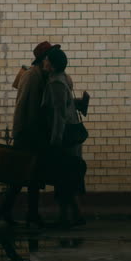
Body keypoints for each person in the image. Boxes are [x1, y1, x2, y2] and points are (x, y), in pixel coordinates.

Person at [0, 40, 56, 226]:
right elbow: (25, 106)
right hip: (29, 133)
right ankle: (23, 213)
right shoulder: (32, 76)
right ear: (43, 58)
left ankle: (12, 211)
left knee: (25, 175)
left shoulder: (37, 75)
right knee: (24, 175)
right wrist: (23, 132)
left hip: (30, 132)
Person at [41, 46, 87, 227]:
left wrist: (55, 141)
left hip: (64, 138)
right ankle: (74, 214)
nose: (44, 62)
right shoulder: (62, 80)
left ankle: (68, 216)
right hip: (70, 135)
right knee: (68, 176)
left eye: (46, 60)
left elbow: (59, 114)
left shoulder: (56, 84)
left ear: (51, 65)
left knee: (64, 177)